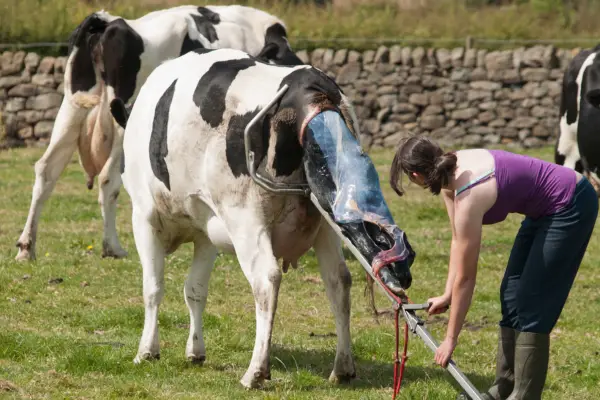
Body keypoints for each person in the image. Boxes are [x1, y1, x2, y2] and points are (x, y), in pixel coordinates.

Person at [389, 135, 598, 400]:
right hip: (542, 211)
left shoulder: (469, 193)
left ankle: (524, 395)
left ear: (416, 175)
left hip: (571, 203)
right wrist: (447, 294)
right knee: (510, 293)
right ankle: (503, 388)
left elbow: (466, 277)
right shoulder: (447, 176)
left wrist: (450, 338)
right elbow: (457, 240)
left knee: (531, 301)